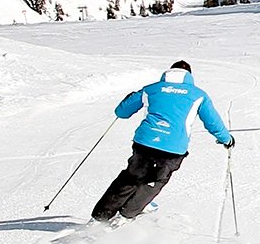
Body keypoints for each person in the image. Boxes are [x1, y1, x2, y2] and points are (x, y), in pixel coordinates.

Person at [91, 60, 234, 223]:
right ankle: (126, 215)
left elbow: (122, 112)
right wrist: (226, 139)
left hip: (145, 142)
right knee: (155, 181)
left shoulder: (151, 89)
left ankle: (101, 216)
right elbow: (212, 122)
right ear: (189, 76)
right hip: (172, 148)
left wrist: (129, 98)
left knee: (131, 177)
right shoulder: (198, 94)